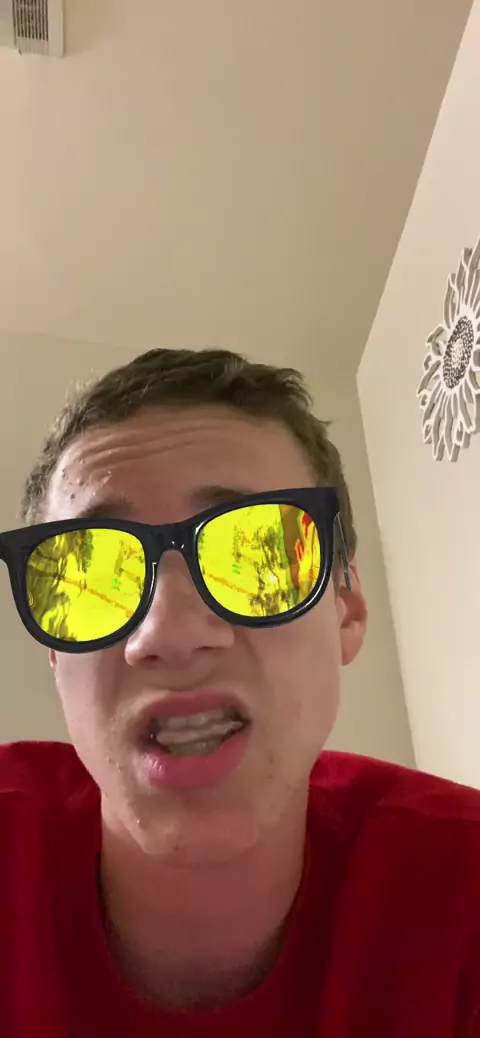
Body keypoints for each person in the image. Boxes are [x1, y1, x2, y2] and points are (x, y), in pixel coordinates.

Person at [0, 347, 478, 1038]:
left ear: (345, 611)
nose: (168, 633)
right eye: (94, 576)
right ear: (55, 651)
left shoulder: (461, 891)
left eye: (256, 555)